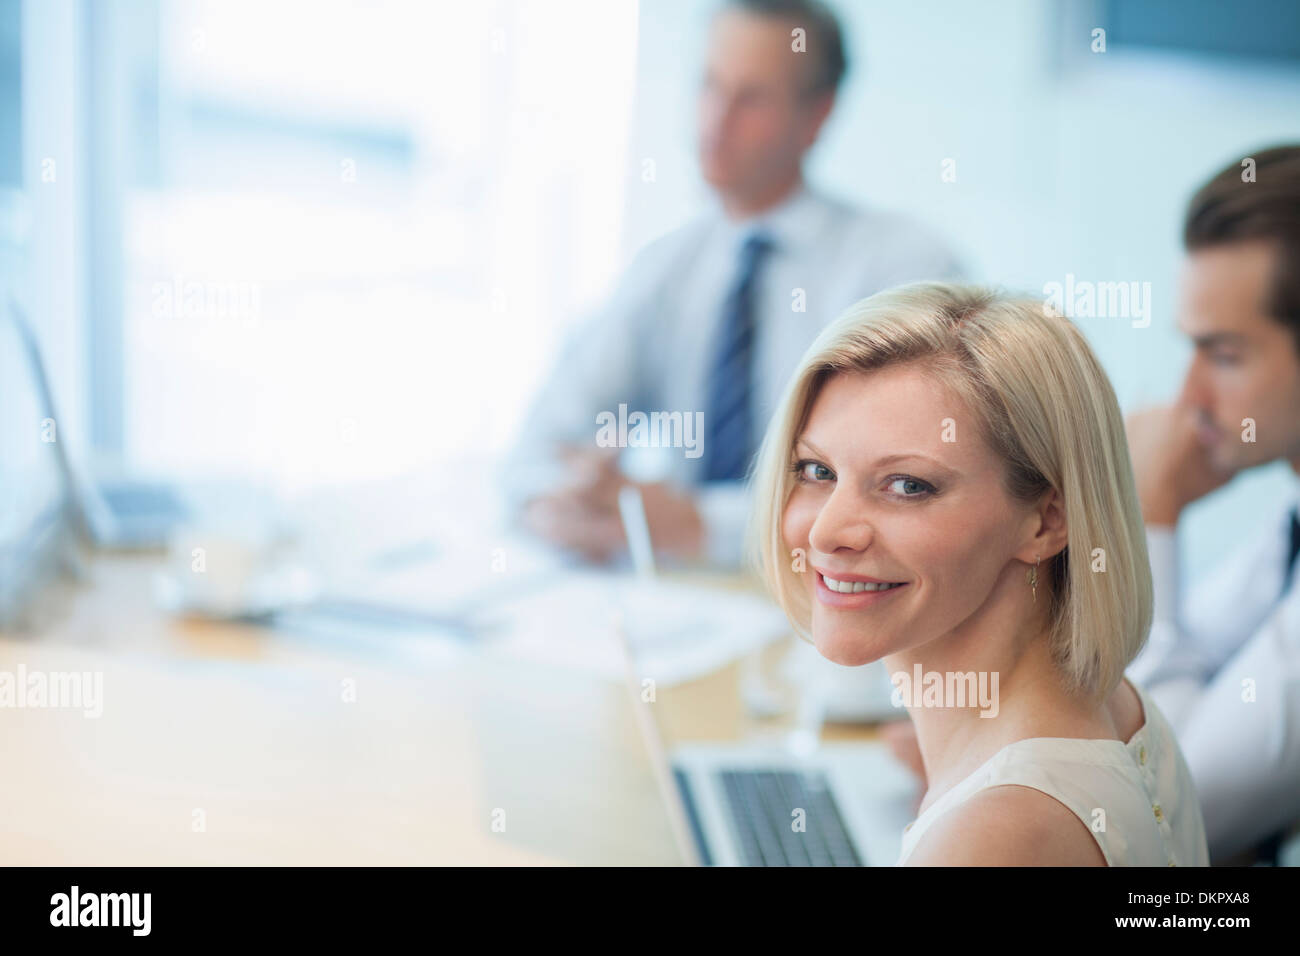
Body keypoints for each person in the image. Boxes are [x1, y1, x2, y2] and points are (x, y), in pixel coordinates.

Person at [747, 282, 1210, 865]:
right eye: (817, 470)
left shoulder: (996, 837)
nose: (825, 532)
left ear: (1046, 520)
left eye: (908, 485)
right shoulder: (1118, 706)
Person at [501, 0, 961, 568]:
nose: (715, 121)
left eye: (752, 98)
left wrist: (697, 524)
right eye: (710, 86)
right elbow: (538, 447)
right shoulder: (668, 267)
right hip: (684, 604)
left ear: (816, 116)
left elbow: (902, 494)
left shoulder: (902, 271)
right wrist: (562, 503)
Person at [1123, 145, 1300, 864]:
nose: (1189, 396)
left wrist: (1148, 517)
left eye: (1224, 355)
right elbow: (1178, 669)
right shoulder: (1288, 520)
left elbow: (1164, 824)